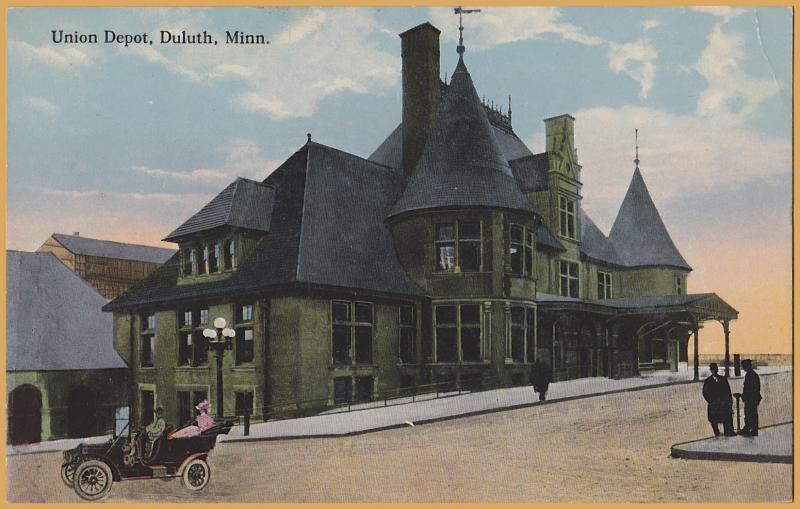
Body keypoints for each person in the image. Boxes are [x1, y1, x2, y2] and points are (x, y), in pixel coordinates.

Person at [702, 363, 736, 437]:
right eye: (713, 369)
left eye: (716, 369)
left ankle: (728, 432)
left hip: (723, 403)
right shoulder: (708, 381)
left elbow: (728, 391)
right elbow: (705, 393)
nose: (715, 371)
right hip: (714, 404)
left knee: (725, 417)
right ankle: (716, 432)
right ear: (711, 370)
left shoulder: (723, 379)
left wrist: (729, 402)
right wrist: (711, 401)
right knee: (714, 420)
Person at [739, 359, 761, 436]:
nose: (743, 368)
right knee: (752, 414)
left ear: (747, 366)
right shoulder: (753, 374)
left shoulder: (750, 375)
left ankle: (750, 429)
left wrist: (744, 396)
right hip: (753, 398)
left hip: (751, 399)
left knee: (750, 414)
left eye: (744, 366)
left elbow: (749, 389)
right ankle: (751, 429)